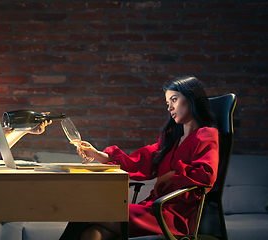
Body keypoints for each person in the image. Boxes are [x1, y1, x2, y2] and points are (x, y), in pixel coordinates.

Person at [59, 76, 219, 240]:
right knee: (92, 234)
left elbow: (206, 174)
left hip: (173, 216)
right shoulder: (171, 138)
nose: (169, 107)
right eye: (167, 103)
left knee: (88, 210)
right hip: (152, 209)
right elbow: (138, 161)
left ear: (191, 98)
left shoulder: (206, 134)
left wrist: (170, 175)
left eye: (174, 100)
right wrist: (97, 154)